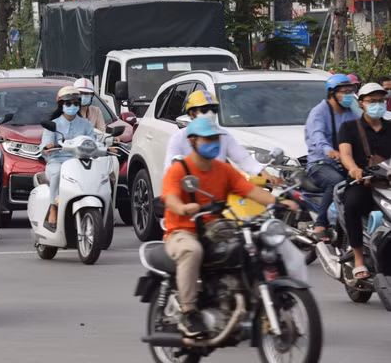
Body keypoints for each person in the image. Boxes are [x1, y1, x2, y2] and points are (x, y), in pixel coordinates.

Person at [162, 116, 297, 337]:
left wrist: (279, 202)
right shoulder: (180, 170)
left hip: (217, 228)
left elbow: (248, 189)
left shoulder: (222, 169)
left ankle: (256, 304)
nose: (213, 142)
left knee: (253, 248)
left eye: (215, 138)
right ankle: (188, 311)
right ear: (193, 141)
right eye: (208, 139)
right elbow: (170, 197)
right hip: (182, 231)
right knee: (192, 251)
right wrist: (184, 208)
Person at [338, 83, 391, 279]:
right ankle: (359, 260)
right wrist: (353, 169)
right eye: (372, 101)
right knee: (352, 205)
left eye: (381, 100)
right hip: (363, 183)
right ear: (361, 103)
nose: (378, 104)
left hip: (388, 185)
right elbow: (345, 154)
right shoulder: (349, 128)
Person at [164, 90, 272, 179]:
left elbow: (243, 159)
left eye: (214, 109)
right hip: (193, 192)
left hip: (220, 192)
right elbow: (170, 172)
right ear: (192, 114)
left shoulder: (223, 135)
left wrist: (264, 174)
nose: (210, 113)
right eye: (205, 110)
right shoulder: (178, 138)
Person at [305, 74, 360, 241]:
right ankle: (320, 224)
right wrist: (329, 150)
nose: (349, 95)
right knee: (336, 182)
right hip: (321, 163)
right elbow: (317, 137)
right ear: (332, 93)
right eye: (345, 91)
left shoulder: (352, 113)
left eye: (352, 91)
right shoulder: (319, 112)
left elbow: (362, 134)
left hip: (345, 162)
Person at [39, 86, 99, 231]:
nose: (72, 106)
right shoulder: (53, 124)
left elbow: (93, 142)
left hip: (80, 162)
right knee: (58, 173)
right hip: (57, 161)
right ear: (61, 105)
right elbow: (44, 146)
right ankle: (53, 208)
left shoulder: (86, 124)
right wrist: (48, 146)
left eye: (75, 103)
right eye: (68, 104)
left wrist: (104, 147)